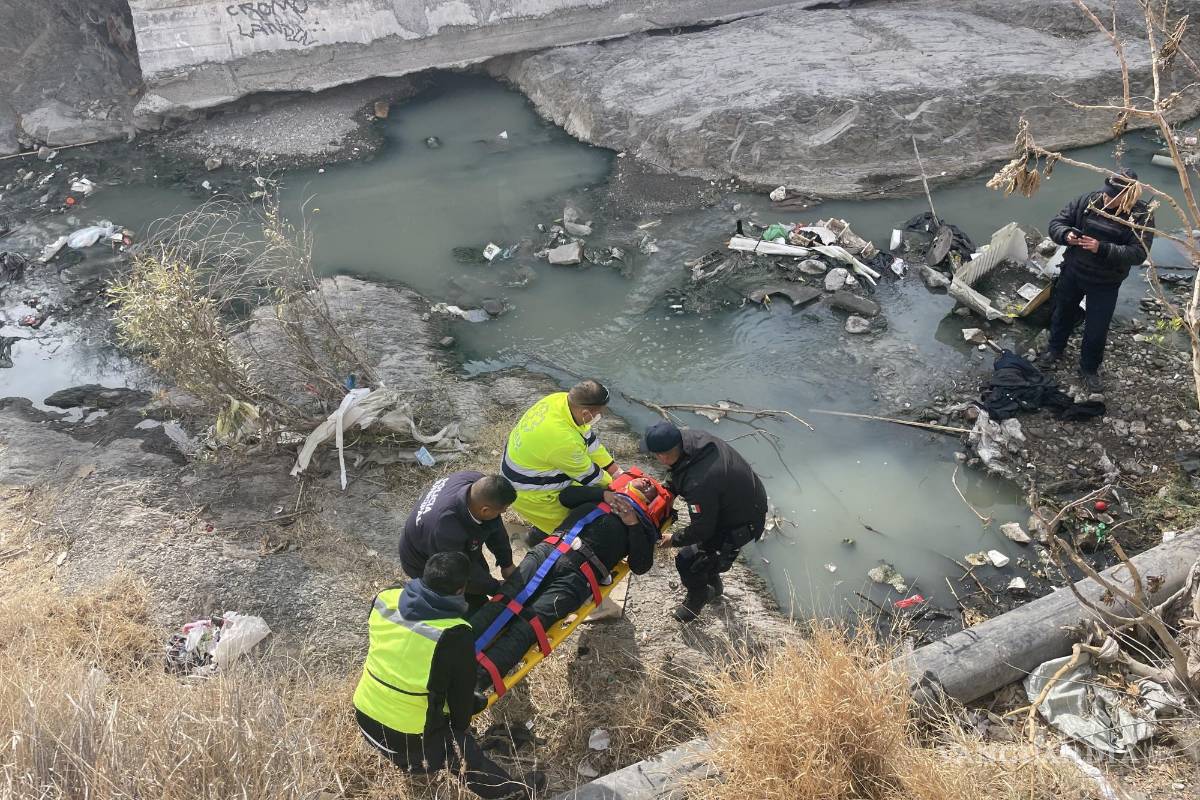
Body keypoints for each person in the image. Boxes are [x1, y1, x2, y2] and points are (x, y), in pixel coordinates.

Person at [353, 552, 545, 799]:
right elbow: (460, 698)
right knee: (459, 749)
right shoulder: (454, 633)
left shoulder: (385, 598)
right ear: (460, 589)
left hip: (364, 717)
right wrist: (461, 727)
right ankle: (508, 793)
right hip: (408, 739)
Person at [472, 470, 672, 695]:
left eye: (652, 488)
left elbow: (640, 565)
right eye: (646, 479)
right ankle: (453, 649)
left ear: (651, 502)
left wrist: (633, 524)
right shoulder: (602, 495)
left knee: (530, 625)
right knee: (504, 600)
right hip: (549, 550)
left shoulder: (643, 527)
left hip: (578, 577)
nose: (648, 482)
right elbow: (566, 496)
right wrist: (603, 495)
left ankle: (478, 681)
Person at [1040, 168, 1155, 392]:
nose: (1105, 199)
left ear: (1127, 197)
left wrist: (1100, 248)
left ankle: (1089, 369)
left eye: (1112, 197)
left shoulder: (1141, 217)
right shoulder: (1088, 201)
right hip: (1073, 272)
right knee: (1062, 312)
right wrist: (1066, 235)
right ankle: (1054, 350)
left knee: (1096, 327)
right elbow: (1057, 222)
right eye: (1105, 193)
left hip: (1105, 282)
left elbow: (1138, 254)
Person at [643, 421, 768, 623]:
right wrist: (668, 490)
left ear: (663, 456)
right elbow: (680, 471)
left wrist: (673, 539)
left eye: (656, 455)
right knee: (707, 558)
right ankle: (716, 588)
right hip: (741, 498)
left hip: (741, 521)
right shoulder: (692, 439)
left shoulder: (700, 482)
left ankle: (698, 597)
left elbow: (702, 529)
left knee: (688, 560)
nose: (655, 458)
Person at [503, 379, 623, 542]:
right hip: (531, 492)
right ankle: (538, 543)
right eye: (599, 412)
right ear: (586, 413)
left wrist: (615, 471)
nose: (601, 415)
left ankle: (537, 535)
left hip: (529, 467)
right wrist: (622, 488)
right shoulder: (563, 440)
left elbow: (588, 440)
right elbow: (593, 478)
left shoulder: (560, 400)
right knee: (572, 529)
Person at [399, 472, 517, 613]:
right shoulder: (446, 528)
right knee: (469, 604)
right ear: (485, 510)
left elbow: (494, 526)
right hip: (421, 559)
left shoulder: (478, 483)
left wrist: (507, 563)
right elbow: (460, 572)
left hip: (443, 541)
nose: (501, 514)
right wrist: (496, 587)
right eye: (500, 512)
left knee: (479, 572)